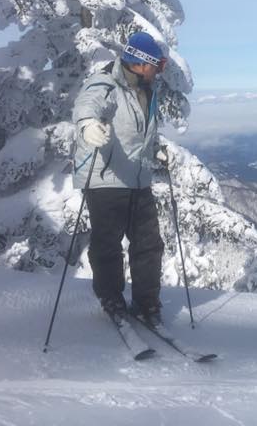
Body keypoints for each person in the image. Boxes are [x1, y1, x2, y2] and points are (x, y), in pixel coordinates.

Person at [72, 32, 168, 326]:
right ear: (141, 63)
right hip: (106, 177)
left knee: (149, 243)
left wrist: (155, 149)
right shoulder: (106, 83)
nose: (160, 71)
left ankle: (146, 302)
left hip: (138, 179)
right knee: (108, 244)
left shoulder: (147, 90)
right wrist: (87, 125)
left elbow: (139, 131)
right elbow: (87, 104)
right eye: (158, 65)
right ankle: (111, 298)